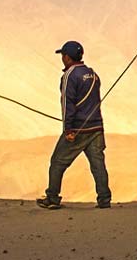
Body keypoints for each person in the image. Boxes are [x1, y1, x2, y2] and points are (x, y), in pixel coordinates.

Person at [36, 41, 111, 209]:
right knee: (98, 164)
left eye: (63, 55)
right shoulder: (93, 75)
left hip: (78, 129)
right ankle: (104, 200)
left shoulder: (70, 76)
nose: (62, 58)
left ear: (67, 58)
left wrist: (68, 129)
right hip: (96, 127)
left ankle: (52, 198)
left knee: (57, 162)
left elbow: (67, 104)